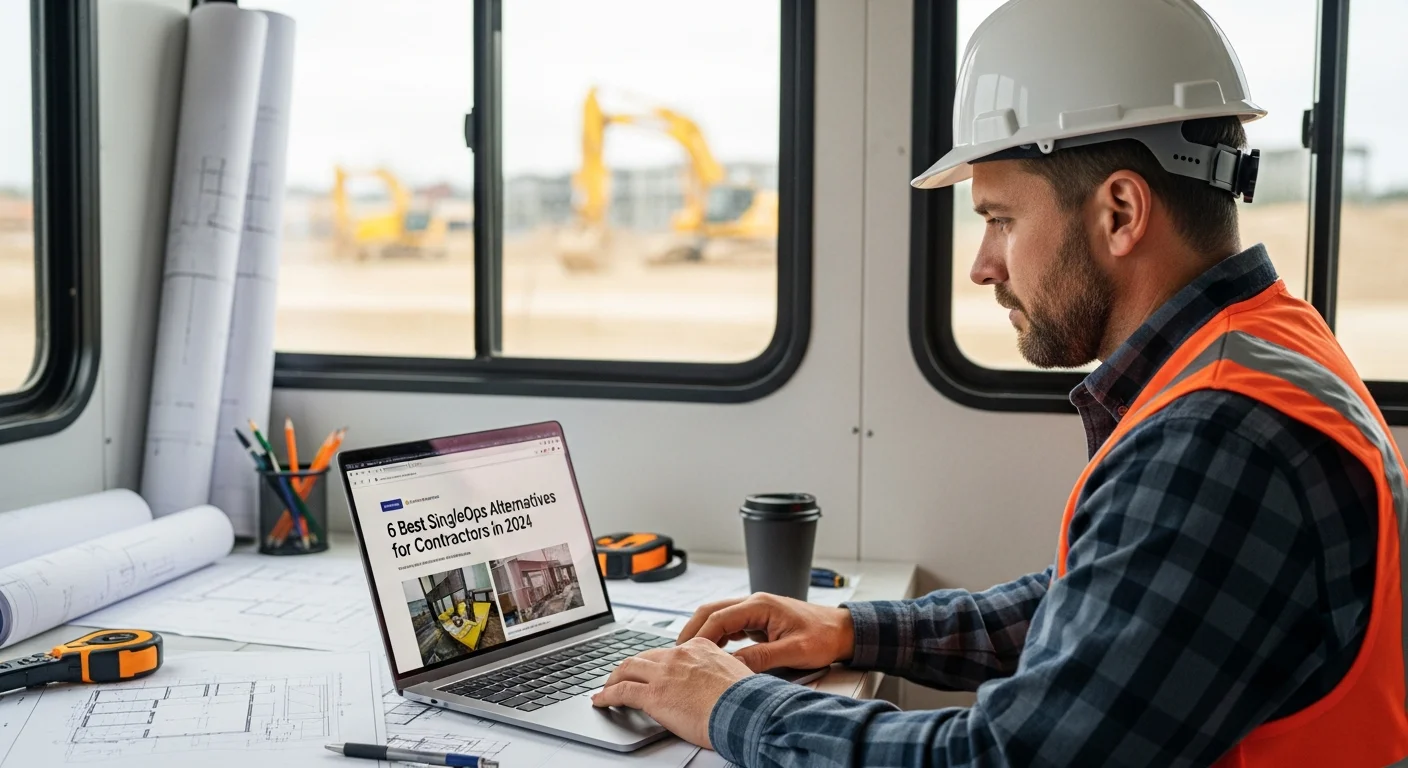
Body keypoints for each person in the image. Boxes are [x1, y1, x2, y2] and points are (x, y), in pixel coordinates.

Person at [590, 0, 1408, 765]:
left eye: (1000, 220)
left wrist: (734, 707)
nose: (983, 266)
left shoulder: (1219, 436)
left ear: (1120, 212)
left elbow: (1013, 757)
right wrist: (851, 630)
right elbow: (1105, 607)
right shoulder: (1260, 349)